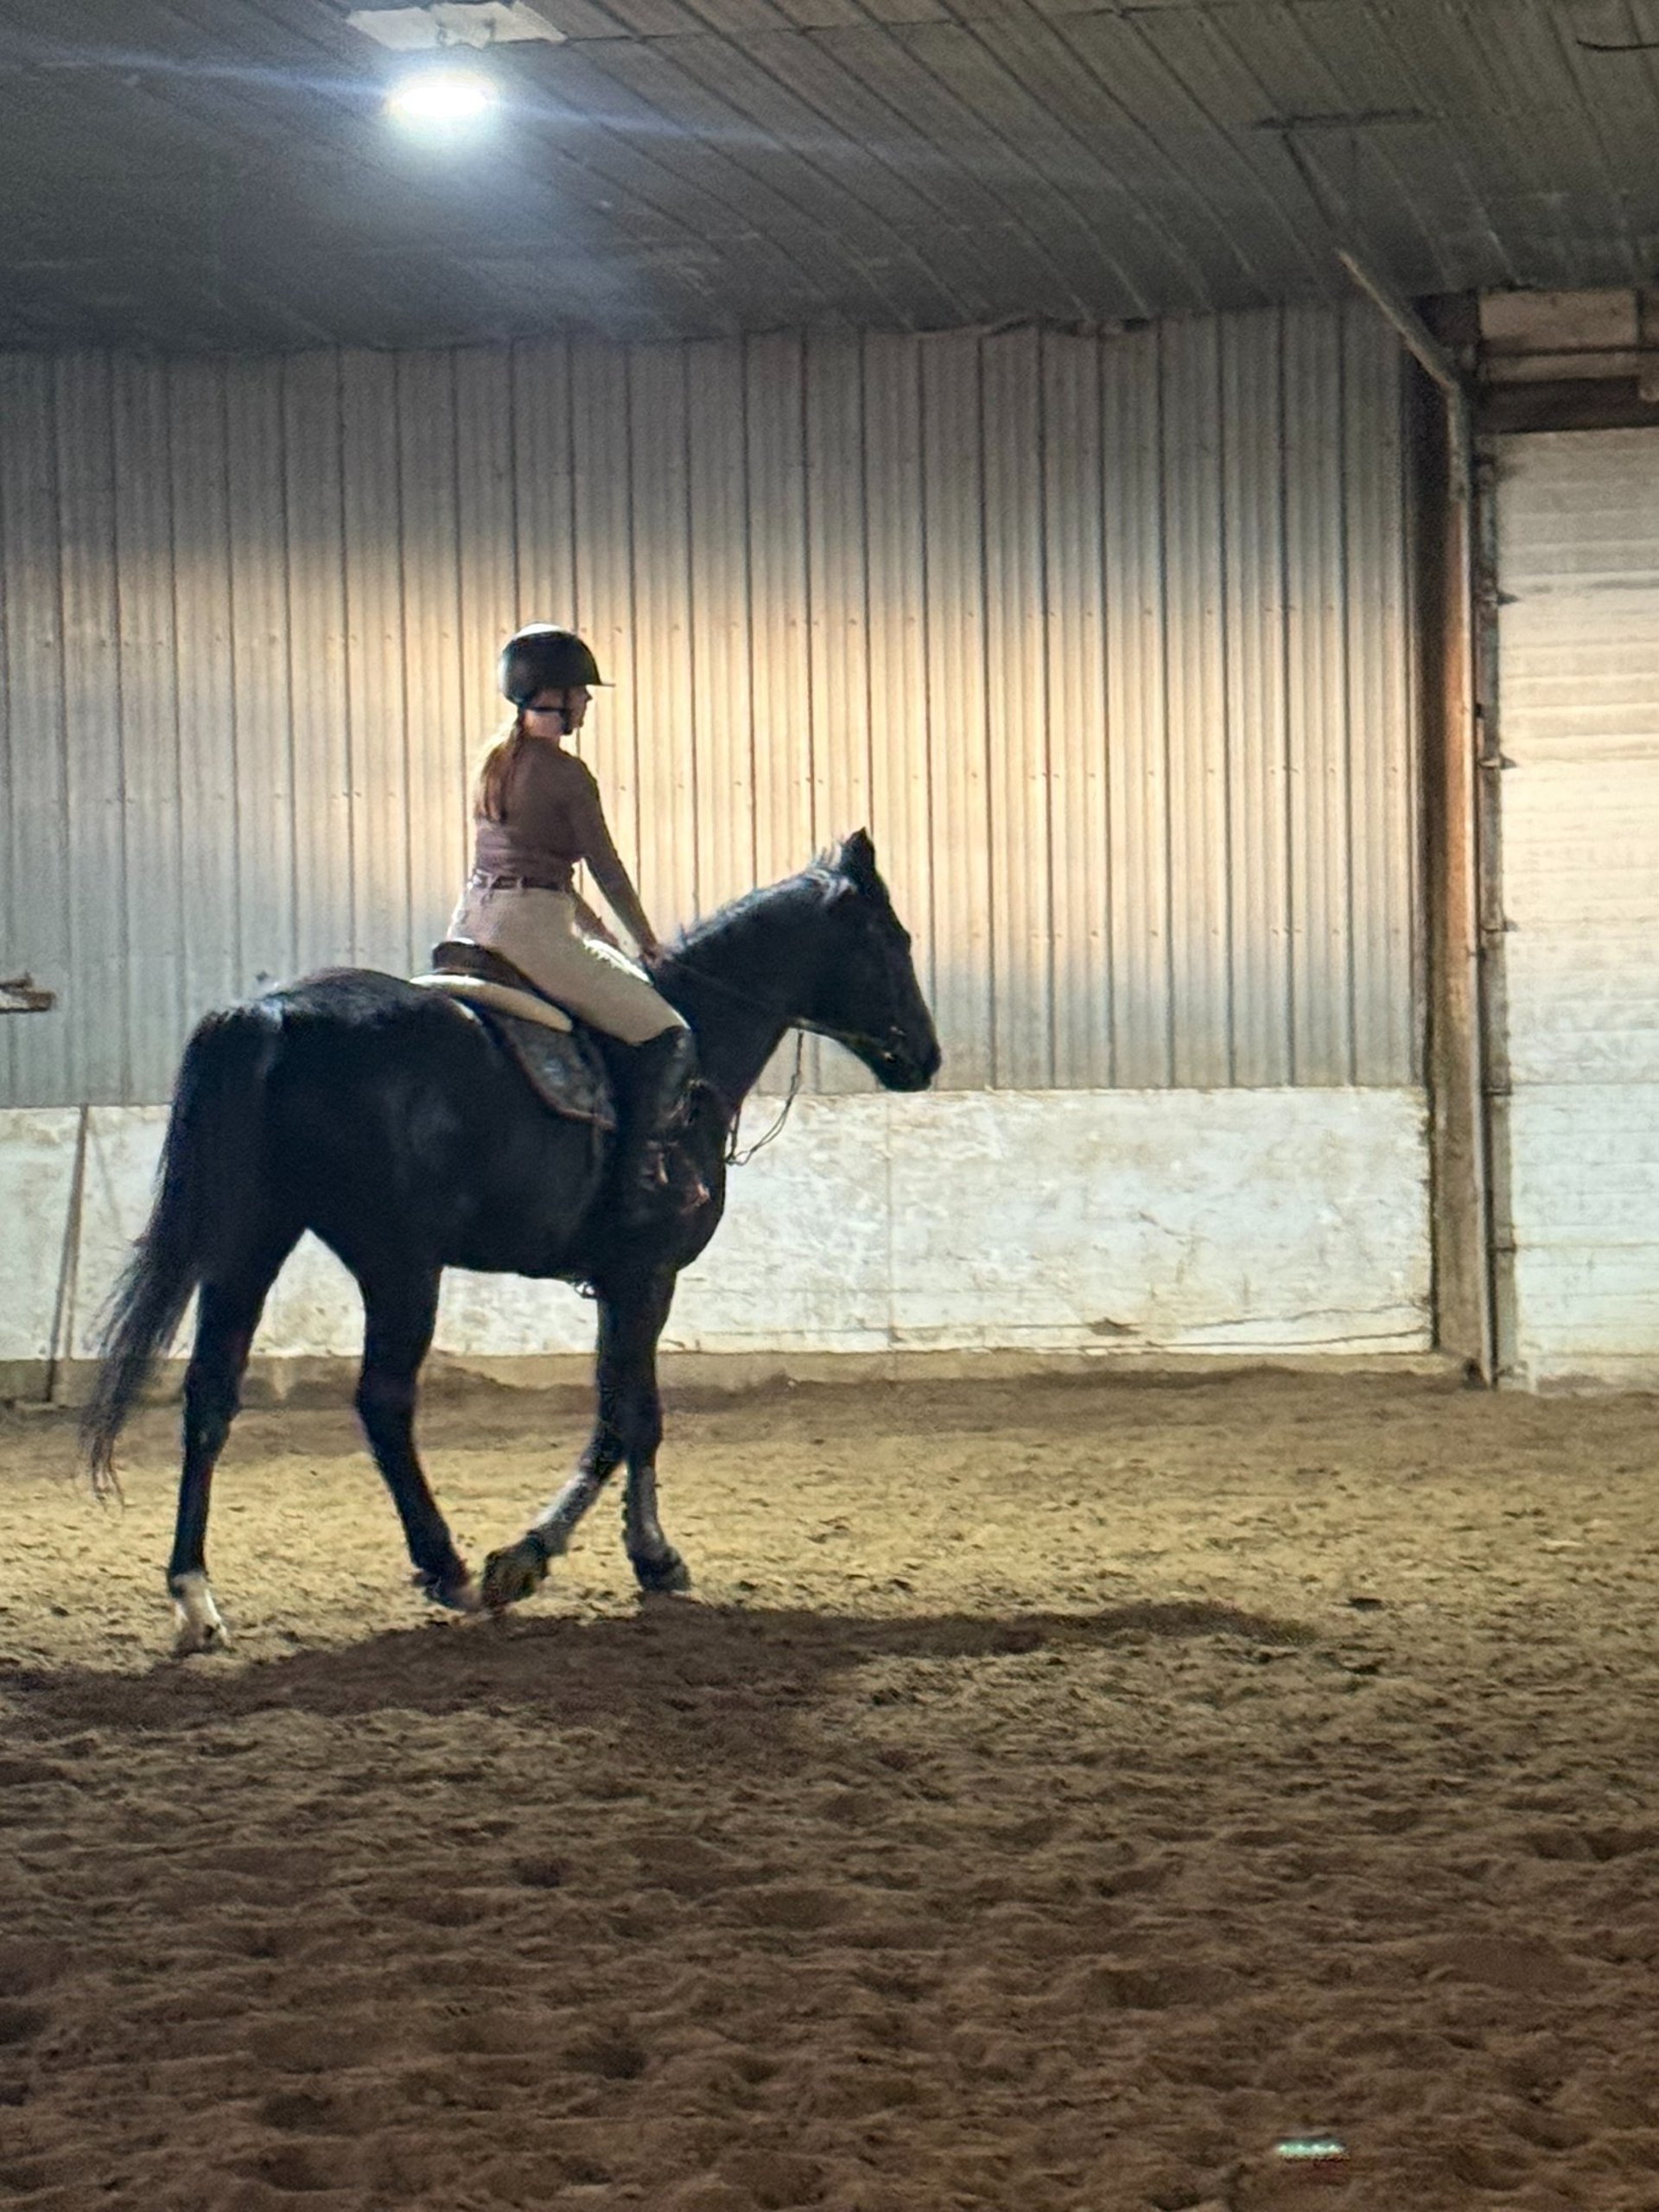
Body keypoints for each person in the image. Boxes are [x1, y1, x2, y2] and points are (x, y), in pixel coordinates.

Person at [448, 623, 697, 1231]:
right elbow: (605, 868)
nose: (587, 703)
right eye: (581, 692)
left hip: (473, 922)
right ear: (554, 697)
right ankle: (634, 1185)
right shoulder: (566, 774)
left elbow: (542, 865)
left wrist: (598, 935)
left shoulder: (494, 759)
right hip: (530, 929)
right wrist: (644, 939)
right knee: (666, 1032)